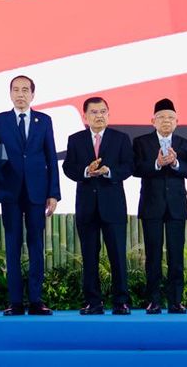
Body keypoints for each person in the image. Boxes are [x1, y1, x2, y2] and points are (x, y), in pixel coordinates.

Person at [0, 75, 60, 316]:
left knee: (36, 244)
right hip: (10, 191)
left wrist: (53, 193)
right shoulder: (0, 120)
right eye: (16, 90)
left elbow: (51, 158)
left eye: (25, 90)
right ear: (10, 94)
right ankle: (15, 302)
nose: (20, 94)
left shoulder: (44, 120)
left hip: (38, 192)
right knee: (12, 245)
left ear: (32, 94)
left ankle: (36, 300)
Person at [62, 96, 133, 315]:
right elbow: (68, 168)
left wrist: (108, 172)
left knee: (117, 256)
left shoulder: (120, 138)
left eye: (103, 111)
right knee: (89, 256)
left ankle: (121, 301)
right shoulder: (75, 139)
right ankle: (93, 302)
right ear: (85, 116)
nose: (99, 116)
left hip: (113, 206)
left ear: (108, 114)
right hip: (87, 206)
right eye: (94, 112)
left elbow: (129, 166)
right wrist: (86, 171)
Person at [132, 98, 187, 315]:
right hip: (151, 205)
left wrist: (176, 164)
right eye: (161, 117)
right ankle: (153, 300)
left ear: (177, 121)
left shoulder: (184, 144)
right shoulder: (142, 142)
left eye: (170, 117)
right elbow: (135, 168)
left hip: (177, 206)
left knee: (176, 256)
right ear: (153, 121)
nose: (166, 121)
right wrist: (157, 164)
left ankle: (176, 301)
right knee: (152, 256)